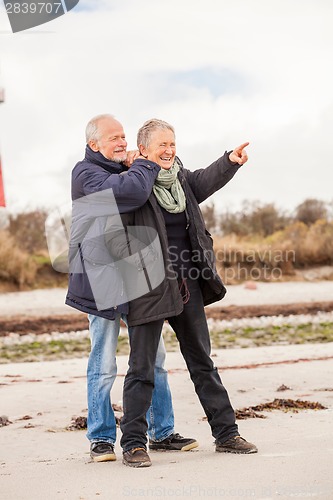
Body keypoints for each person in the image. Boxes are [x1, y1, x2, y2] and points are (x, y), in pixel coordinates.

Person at [116, 119, 258, 467]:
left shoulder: (181, 180)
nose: (169, 150)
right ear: (144, 149)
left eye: (173, 144)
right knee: (141, 367)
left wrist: (230, 161)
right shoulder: (134, 183)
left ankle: (226, 434)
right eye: (161, 145)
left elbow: (205, 178)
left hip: (187, 283)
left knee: (202, 363)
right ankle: (134, 443)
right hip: (147, 287)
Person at [65, 114, 197, 462]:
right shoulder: (85, 173)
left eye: (124, 136)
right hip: (100, 281)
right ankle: (101, 439)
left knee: (154, 358)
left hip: (134, 276)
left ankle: (163, 431)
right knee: (104, 360)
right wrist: (142, 162)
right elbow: (133, 192)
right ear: (94, 145)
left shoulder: (123, 169)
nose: (121, 142)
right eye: (114, 138)